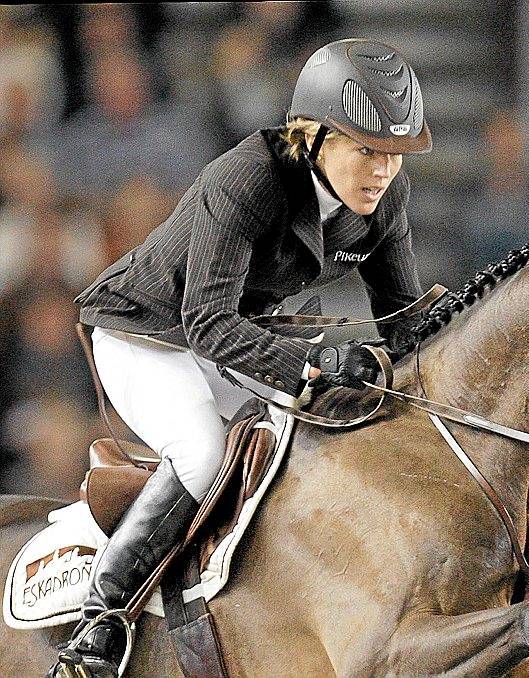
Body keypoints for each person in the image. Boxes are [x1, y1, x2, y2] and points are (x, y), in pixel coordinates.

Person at [50, 38, 432, 678]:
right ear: (312, 136)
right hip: (146, 332)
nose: (382, 171)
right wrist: (312, 365)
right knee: (202, 452)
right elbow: (206, 323)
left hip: (233, 337)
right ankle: (100, 622)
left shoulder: (384, 201)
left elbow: (405, 322)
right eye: (366, 151)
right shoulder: (248, 179)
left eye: (394, 154)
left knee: (322, 435)